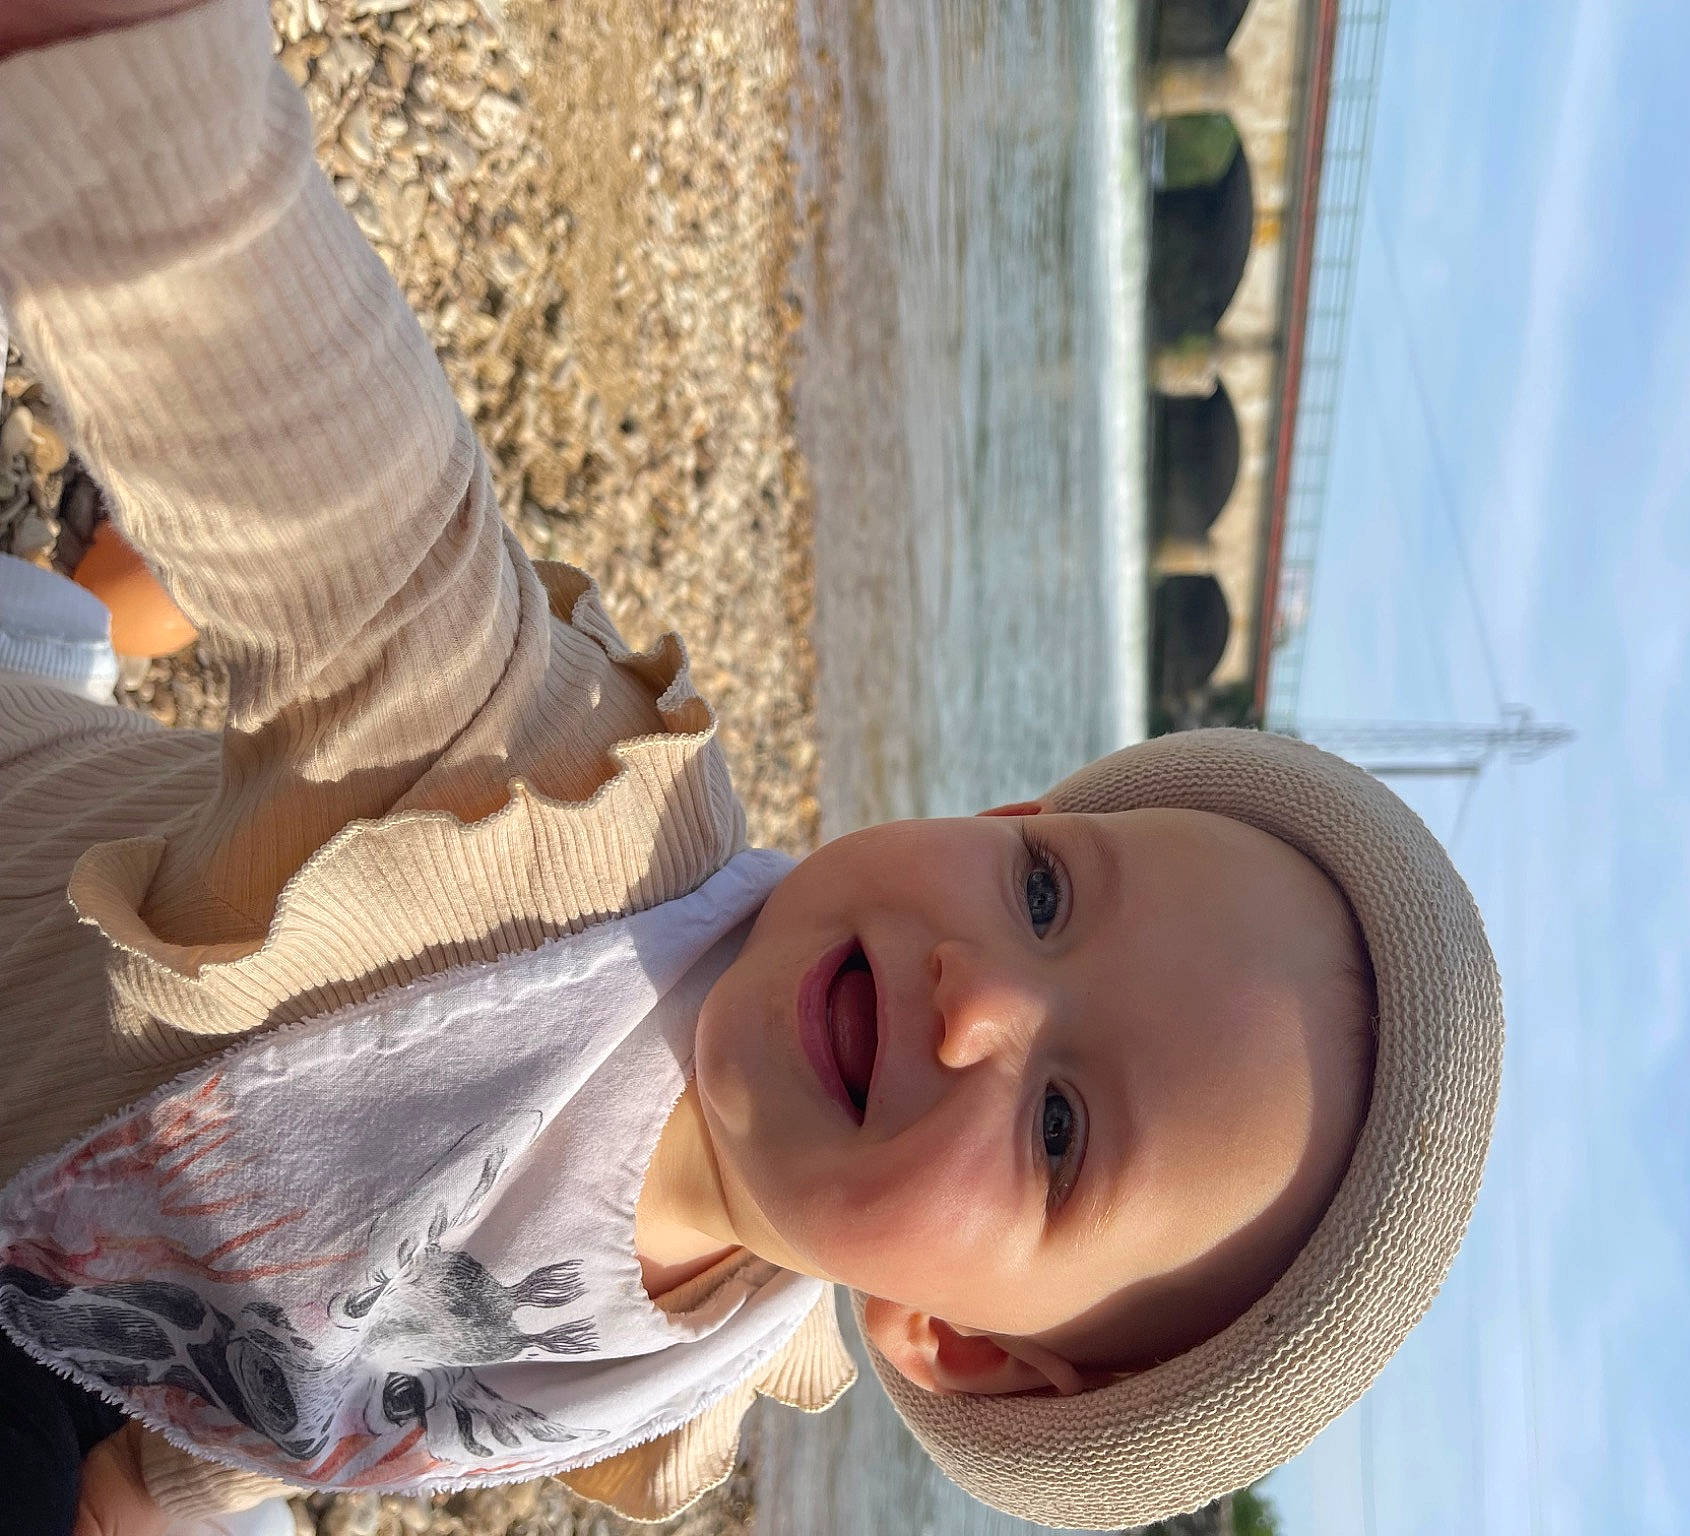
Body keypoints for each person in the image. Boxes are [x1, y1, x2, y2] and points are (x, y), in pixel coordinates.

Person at [0, 0, 1505, 1532]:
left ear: (960, 1346)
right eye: (1044, 894)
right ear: (999, 820)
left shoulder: (677, 1389)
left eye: (1060, 1128)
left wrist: (146, 1499)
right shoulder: (544, 805)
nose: (979, 999)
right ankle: (87, 608)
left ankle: (98, 605)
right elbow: (353, 508)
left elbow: (294, 1388)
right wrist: (121, 69)